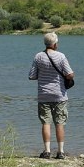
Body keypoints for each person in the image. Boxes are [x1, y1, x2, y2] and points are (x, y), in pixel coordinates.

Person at [29, 31, 74, 159]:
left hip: (43, 95)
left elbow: (32, 76)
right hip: (59, 95)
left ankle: (47, 151)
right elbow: (70, 74)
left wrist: (43, 74)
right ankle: (60, 152)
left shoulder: (38, 56)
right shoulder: (61, 56)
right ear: (54, 44)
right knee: (59, 123)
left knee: (46, 123)